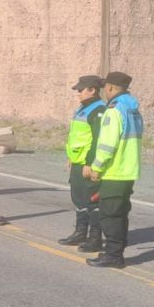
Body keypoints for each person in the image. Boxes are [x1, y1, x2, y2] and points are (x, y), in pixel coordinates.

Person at [87, 71, 143, 268]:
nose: (104, 92)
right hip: (128, 171)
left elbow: (107, 145)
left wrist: (96, 167)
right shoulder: (132, 109)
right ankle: (115, 252)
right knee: (119, 214)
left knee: (110, 215)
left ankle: (113, 255)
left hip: (115, 171)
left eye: (105, 88)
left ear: (110, 88)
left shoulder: (114, 111)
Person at [58, 75, 107, 250]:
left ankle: (95, 238)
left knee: (92, 201)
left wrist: (90, 163)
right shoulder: (83, 108)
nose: (78, 93)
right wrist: (71, 158)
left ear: (92, 90)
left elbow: (97, 140)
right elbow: (77, 137)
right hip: (77, 162)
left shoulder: (99, 110)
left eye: (81, 90)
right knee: (78, 199)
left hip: (88, 164)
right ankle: (80, 233)